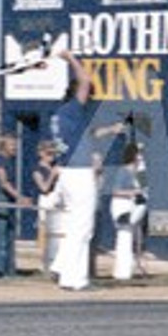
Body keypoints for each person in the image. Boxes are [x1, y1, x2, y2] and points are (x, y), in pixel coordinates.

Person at [48, 50, 123, 291]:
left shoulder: (60, 116)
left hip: (67, 171)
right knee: (83, 228)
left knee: (74, 226)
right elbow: (86, 80)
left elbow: (87, 136)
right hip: (79, 173)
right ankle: (75, 279)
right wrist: (70, 59)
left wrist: (111, 130)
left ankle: (62, 268)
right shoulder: (74, 109)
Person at [0, 135, 31, 278]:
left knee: (10, 236)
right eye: (12, 145)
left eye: (15, 145)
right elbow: (4, 182)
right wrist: (20, 197)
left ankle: (9, 269)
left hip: (11, 200)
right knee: (0, 236)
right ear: (3, 146)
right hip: (2, 199)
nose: (15, 148)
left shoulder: (12, 161)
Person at [108, 143, 147, 281]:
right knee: (124, 238)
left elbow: (144, 190)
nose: (141, 156)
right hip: (122, 207)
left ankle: (126, 270)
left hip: (133, 206)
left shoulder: (139, 173)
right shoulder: (123, 171)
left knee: (129, 238)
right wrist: (133, 192)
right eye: (139, 153)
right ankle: (122, 272)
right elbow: (115, 191)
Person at [32, 141, 60, 270]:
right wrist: (52, 176)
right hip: (46, 200)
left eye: (53, 154)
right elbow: (44, 188)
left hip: (57, 200)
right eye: (49, 153)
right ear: (41, 154)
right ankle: (45, 262)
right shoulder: (38, 170)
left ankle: (56, 260)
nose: (51, 156)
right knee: (45, 232)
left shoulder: (55, 166)